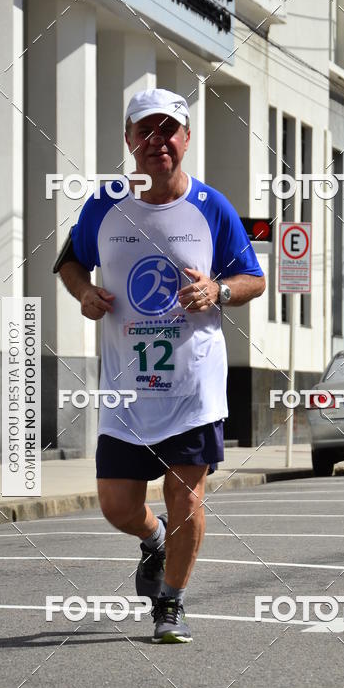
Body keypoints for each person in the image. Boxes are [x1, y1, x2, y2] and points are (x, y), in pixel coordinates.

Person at [56, 88, 265, 643]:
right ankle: (154, 539)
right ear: (128, 140)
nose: (158, 142)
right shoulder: (104, 204)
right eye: (145, 131)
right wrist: (84, 293)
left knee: (186, 494)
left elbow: (253, 279)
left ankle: (170, 605)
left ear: (186, 138)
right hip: (126, 393)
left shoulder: (211, 207)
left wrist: (218, 290)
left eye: (168, 130)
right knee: (117, 506)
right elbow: (70, 261)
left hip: (191, 388)